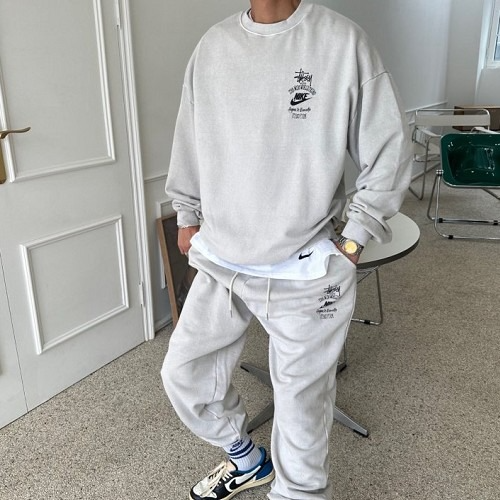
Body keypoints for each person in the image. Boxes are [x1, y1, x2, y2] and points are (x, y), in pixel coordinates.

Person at [161, 1, 412, 499]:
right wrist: (187, 213)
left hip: (306, 269)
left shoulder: (341, 41)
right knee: (183, 375)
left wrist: (356, 234)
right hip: (223, 259)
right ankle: (247, 461)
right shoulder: (214, 46)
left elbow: (388, 147)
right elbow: (190, 137)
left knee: (301, 418)